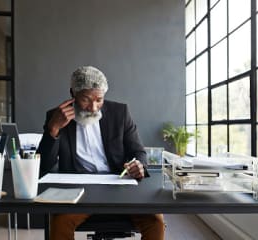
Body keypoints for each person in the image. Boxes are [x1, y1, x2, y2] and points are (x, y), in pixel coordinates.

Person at [37, 66, 165, 240]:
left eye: (99, 100)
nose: (93, 107)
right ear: (72, 93)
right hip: (78, 192)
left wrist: (139, 165)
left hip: (120, 188)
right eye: (86, 99)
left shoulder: (120, 113)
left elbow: (138, 151)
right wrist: (53, 129)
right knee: (60, 222)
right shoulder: (56, 116)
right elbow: (42, 165)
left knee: (155, 222)